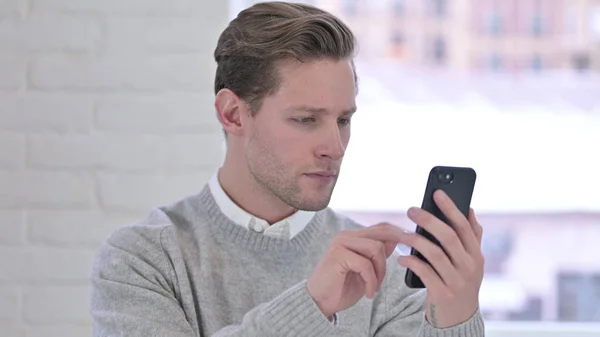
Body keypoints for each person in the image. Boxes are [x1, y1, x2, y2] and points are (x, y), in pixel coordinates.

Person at [90, 2, 486, 336]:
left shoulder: (385, 277)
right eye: (305, 119)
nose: (335, 147)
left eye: (343, 120)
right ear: (233, 114)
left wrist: (457, 317)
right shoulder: (143, 260)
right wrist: (310, 306)